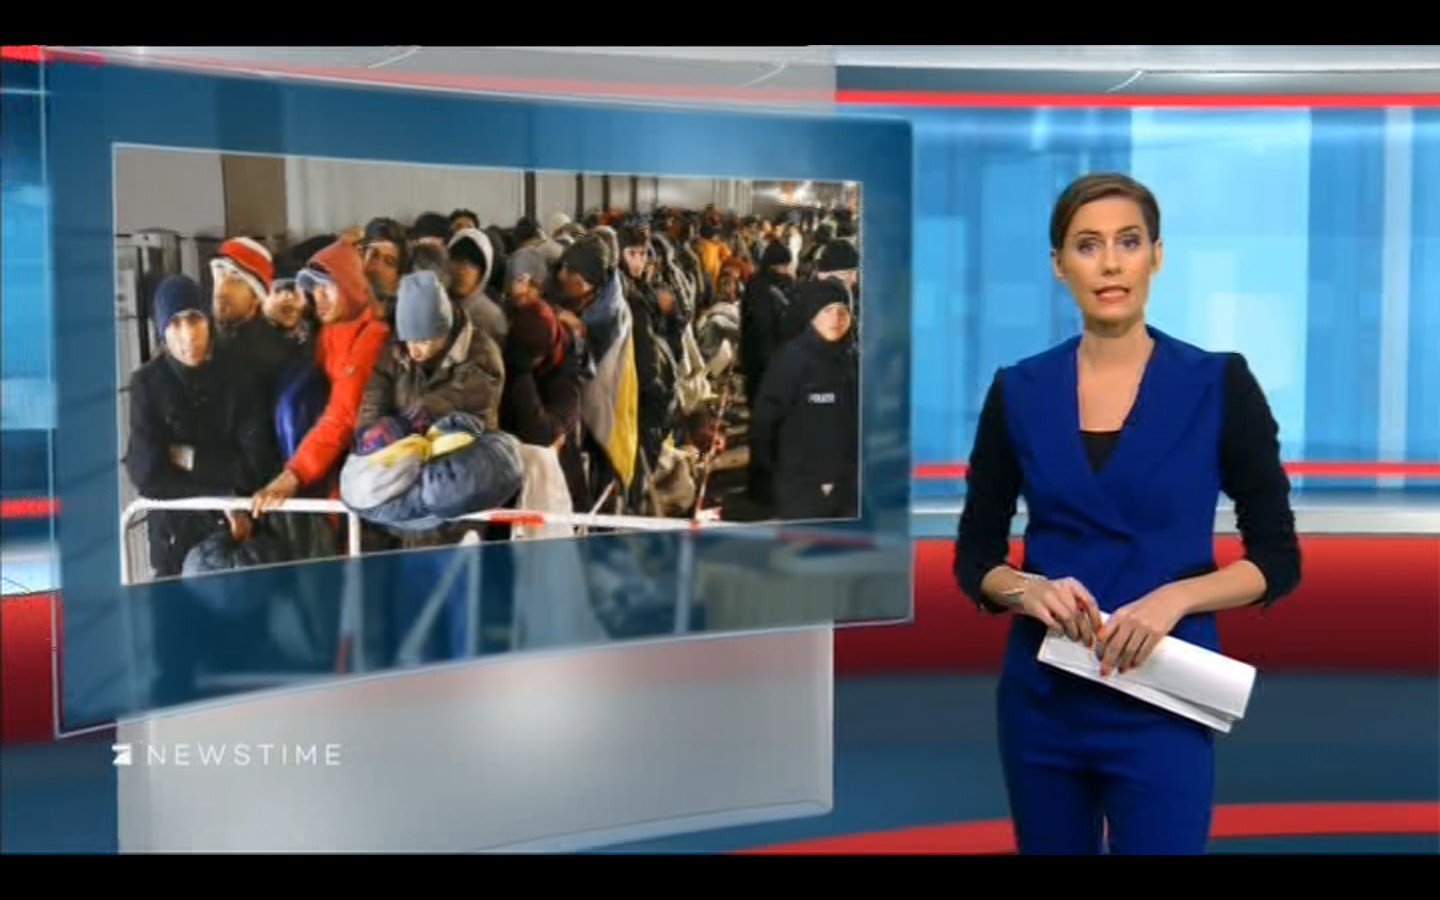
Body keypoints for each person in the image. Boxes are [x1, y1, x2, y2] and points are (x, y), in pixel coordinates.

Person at [954, 172, 1302, 855]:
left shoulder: (1219, 384)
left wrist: (1176, 598)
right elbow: (976, 556)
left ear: (1156, 256)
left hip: (1164, 694)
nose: (1110, 263)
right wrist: (1028, 590)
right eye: (1088, 245)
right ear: (1059, 264)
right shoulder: (1018, 390)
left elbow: (1277, 559)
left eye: (1128, 242)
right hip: (1043, 700)